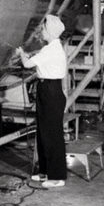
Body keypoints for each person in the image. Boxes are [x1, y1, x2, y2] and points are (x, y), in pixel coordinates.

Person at [17, 15, 68, 188]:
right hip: (47, 89)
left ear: (52, 32)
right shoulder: (52, 47)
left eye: (44, 29)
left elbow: (27, 65)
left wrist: (21, 54)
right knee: (44, 132)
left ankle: (57, 176)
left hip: (51, 91)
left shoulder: (51, 50)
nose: (41, 31)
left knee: (53, 135)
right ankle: (45, 172)